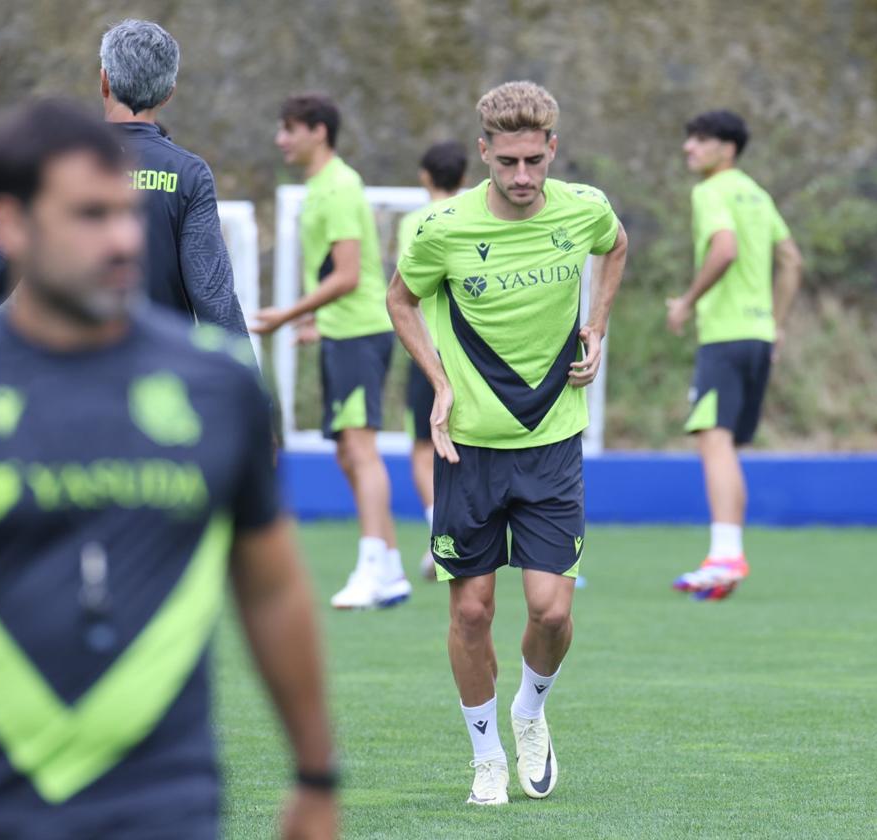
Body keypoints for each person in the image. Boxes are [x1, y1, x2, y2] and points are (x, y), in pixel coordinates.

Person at [0, 100, 336, 840]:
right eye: (89, 215)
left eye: (123, 214)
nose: (122, 239)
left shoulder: (220, 388)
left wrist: (315, 775)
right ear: (12, 225)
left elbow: (274, 592)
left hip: (167, 809)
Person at [387, 81, 628, 805]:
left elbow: (615, 249)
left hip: (553, 443)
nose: (523, 178)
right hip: (468, 448)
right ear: (484, 152)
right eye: (508, 162)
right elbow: (400, 299)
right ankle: (485, 753)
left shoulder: (585, 209)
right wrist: (438, 382)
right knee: (470, 611)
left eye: (535, 160)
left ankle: (530, 710)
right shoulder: (441, 229)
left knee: (553, 611)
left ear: (552, 148)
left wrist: (598, 324)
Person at [0, 19, 247, 338]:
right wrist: (246, 382)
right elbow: (212, 294)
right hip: (161, 372)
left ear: (104, 82)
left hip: (67, 367)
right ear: (168, 94)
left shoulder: (56, 164)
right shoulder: (188, 173)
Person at [255, 92, 409, 611]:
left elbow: (348, 275)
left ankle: (372, 568)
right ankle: (388, 566)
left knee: (360, 449)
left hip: (361, 332)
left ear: (317, 131)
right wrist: (317, 322)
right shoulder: (320, 187)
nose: (281, 139)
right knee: (347, 450)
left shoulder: (340, 186)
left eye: (288, 128)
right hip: (343, 331)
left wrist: (287, 314)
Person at [667, 110, 802, 600]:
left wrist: (686, 301)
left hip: (725, 336)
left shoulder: (711, 192)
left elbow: (723, 250)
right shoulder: (758, 194)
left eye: (699, 140)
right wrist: (777, 324)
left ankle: (725, 556)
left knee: (712, 439)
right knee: (724, 444)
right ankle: (728, 553)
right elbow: (792, 260)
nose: (689, 148)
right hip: (759, 335)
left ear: (727, 148)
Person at [395, 141, 469, 580]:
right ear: (464, 177)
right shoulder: (474, 216)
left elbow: (410, 287)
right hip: (472, 349)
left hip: (428, 349)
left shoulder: (415, 221)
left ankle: (440, 537)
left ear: (425, 176)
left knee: (424, 446)